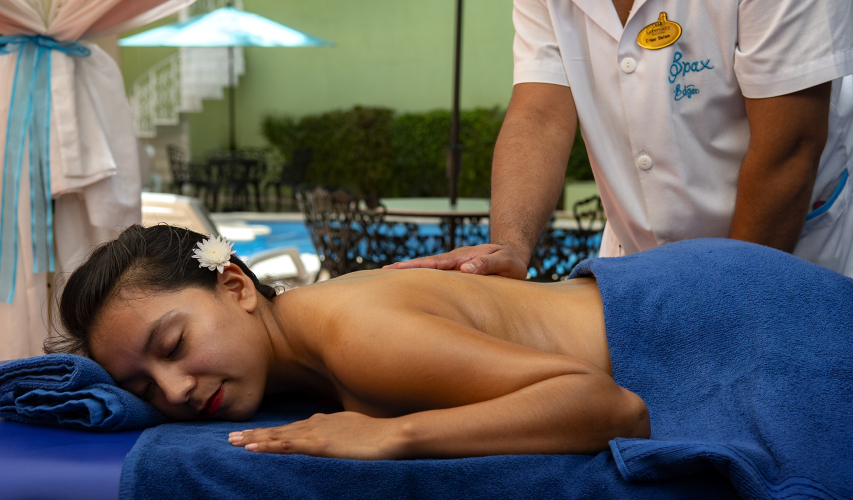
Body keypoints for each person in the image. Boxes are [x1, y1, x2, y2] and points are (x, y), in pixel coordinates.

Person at [45, 224, 853, 466]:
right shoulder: (306, 347)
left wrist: (394, 434)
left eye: (173, 344)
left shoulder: (355, 334)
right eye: (142, 386)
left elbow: (608, 407)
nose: (174, 390)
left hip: (730, 322)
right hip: (685, 295)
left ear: (235, 287)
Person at [387, 0, 853, 278]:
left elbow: (789, 148)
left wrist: (725, 303)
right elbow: (539, 115)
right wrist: (509, 247)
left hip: (785, 253)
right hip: (634, 262)